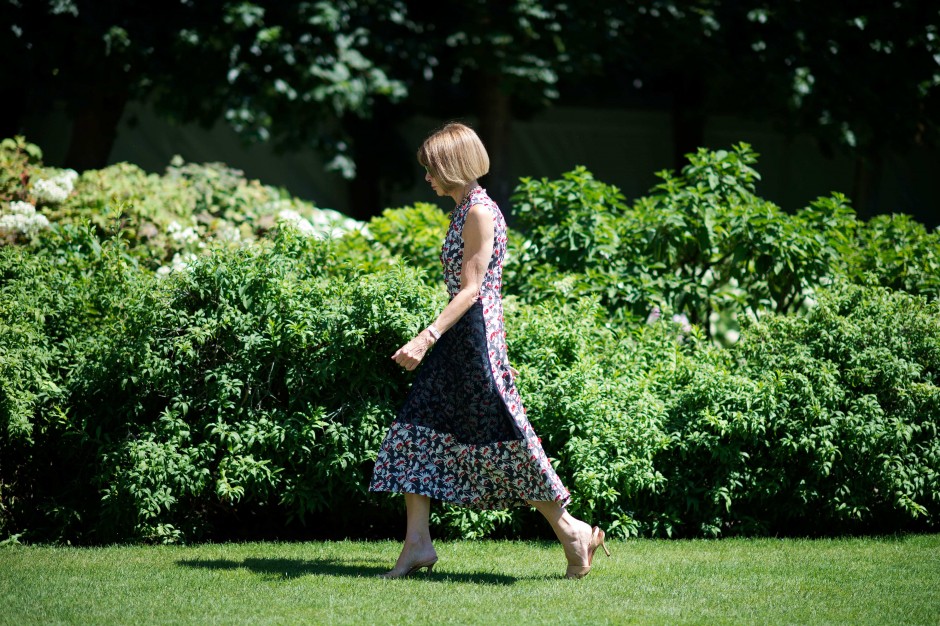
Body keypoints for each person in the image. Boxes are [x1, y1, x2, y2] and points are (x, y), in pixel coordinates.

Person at [369, 122, 610, 579]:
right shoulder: (463, 210)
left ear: (454, 166)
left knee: (503, 445)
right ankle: (418, 543)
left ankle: (573, 531)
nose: (427, 178)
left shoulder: (478, 212)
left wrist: (426, 337)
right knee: (412, 433)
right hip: (465, 338)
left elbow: (473, 289)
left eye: (432, 169)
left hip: (471, 337)